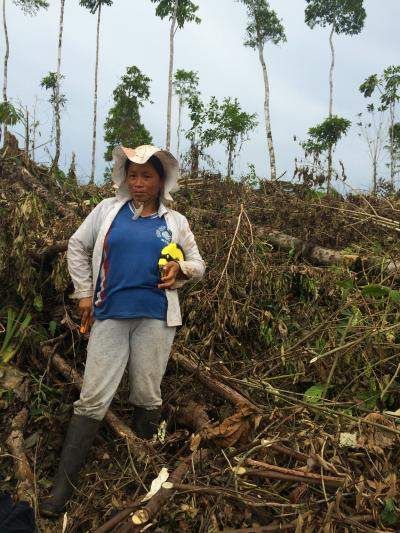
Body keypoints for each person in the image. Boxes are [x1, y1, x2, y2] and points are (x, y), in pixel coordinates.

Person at [41, 144, 205, 517]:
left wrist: (182, 270)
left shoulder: (174, 222)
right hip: (110, 314)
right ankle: (60, 492)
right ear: (124, 178)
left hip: (155, 317)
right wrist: (84, 294)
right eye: (133, 175)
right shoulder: (107, 212)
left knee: (147, 392)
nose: (138, 182)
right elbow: (77, 246)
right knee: (93, 396)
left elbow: (198, 262)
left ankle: (139, 478)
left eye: (146, 176)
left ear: (161, 180)